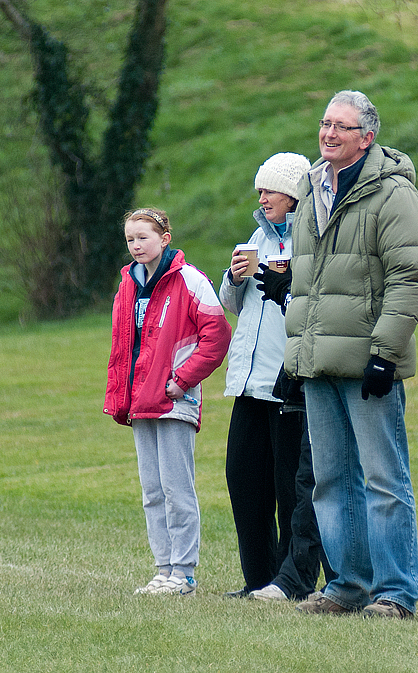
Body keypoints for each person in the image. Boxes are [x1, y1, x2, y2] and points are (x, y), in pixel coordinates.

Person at [281, 90, 418, 619]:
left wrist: (385, 354)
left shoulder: (393, 195)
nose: (329, 134)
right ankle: (347, 584)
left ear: (367, 137)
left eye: (342, 127)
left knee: (383, 479)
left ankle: (395, 591)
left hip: (369, 363)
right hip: (319, 362)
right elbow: (309, 284)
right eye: (324, 123)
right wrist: (296, 352)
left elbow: (409, 279)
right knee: (330, 478)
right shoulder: (310, 190)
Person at [220, 153, 332, 602]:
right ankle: (256, 578)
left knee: (291, 486)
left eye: (270, 191)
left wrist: (285, 288)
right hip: (248, 382)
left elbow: (313, 306)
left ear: (294, 195)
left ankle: (290, 579)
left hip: (286, 381)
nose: (262, 198)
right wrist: (233, 277)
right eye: (259, 191)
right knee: (243, 480)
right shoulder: (255, 237)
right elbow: (234, 304)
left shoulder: (310, 238)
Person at [104, 207, 231, 596]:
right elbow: (123, 348)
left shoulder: (190, 280)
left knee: (178, 489)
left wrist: (182, 379)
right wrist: (122, 395)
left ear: (165, 238)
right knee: (152, 491)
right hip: (140, 402)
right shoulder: (127, 285)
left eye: (143, 237)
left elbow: (217, 335)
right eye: (130, 239)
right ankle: (163, 569)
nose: (136, 245)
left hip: (176, 400)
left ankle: (184, 573)